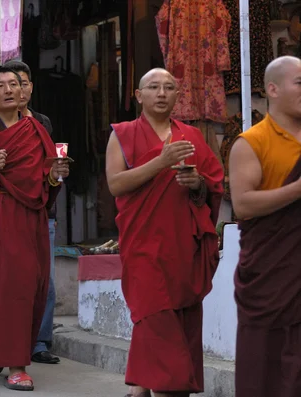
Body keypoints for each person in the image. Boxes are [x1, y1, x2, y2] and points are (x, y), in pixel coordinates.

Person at [105, 68, 224, 397]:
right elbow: (116, 184)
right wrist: (161, 162)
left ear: (177, 95)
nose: (161, 93)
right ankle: (168, 388)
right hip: (144, 247)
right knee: (154, 313)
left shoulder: (193, 136)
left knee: (178, 319)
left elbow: (213, 184)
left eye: (169, 87)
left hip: (182, 246)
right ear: (138, 95)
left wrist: (197, 183)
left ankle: (141, 387)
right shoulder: (123, 134)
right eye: (153, 87)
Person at [0, 68, 69, 391]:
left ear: (24, 90)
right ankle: (3, 356)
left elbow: (47, 177)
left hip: (31, 216)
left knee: (27, 285)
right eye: (1, 86)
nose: (10, 90)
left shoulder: (36, 130)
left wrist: (55, 176)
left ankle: (17, 360)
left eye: (15, 84)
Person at [229, 56, 301, 397]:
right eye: (299, 82)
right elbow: (243, 204)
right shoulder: (251, 142)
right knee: (266, 370)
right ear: (272, 89)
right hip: (275, 274)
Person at [5, 60, 61, 365]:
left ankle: (39, 341)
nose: (18, 89)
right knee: (6, 277)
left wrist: (57, 173)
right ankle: (2, 339)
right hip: (4, 211)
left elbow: (48, 163)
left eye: (23, 83)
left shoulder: (42, 122)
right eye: (12, 84)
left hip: (41, 208)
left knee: (44, 278)